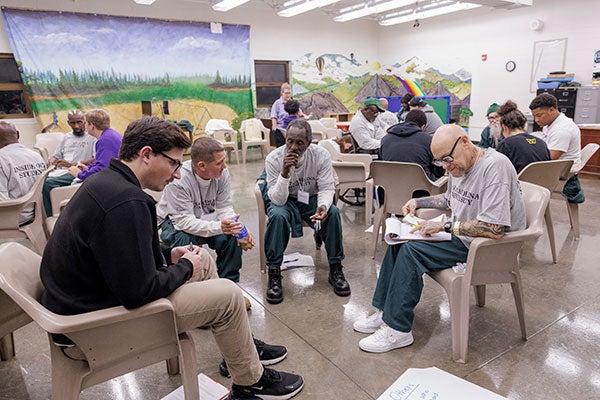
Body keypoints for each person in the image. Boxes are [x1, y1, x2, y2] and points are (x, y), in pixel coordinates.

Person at [39, 116, 304, 400]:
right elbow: (139, 292)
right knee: (227, 296)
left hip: (91, 302)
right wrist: (184, 267)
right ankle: (251, 381)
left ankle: (241, 348)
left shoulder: (107, 184)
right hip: (93, 328)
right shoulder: (127, 202)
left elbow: (118, 256)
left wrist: (169, 255)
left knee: (202, 256)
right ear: (146, 155)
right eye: (175, 163)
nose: (178, 173)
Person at [353, 124, 526, 353]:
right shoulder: (459, 166)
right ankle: (386, 312)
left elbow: (493, 228)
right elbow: (449, 199)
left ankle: (399, 330)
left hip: (488, 247)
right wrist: (418, 202)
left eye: (447, 158)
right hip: (463, 237)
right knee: (397, 241)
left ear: (465, 141)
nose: (445, 166)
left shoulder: (495, 167)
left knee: (411, 252)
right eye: (440, 162)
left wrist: (444, 225)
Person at [264, 119, 350, 304]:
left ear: (309, 142)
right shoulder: (274, 158)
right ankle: (274, 272)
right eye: (289, 141)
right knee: (277, 216)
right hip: (284, 198)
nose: (293, 147)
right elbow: (277, 199)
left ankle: (335, 268)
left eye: (300, 143)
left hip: (310, 198)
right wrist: (284, 173)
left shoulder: (320, 155)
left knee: (333, 213)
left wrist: (324, 206)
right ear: (285, 139)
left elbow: (327, 187)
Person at [157, 136, 255, 284]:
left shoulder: (222, 174)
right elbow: (185, 222)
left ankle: (230, 285)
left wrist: (236, 227)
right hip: (175, 221)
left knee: (231, 236)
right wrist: (219, 226)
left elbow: (224, 207)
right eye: (219, 162)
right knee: (185, 243)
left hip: (206, 216)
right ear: (202, 166)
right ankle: (192, 288)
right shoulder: (179, 179)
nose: (225, 166)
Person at [529, 93, 584, 203]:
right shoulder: (551, 124)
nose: (536, 120)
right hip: (557, 167)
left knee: (516, 177)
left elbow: (549, 159)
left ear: (552, 110)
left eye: (539, 115)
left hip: (562, 174)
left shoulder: (561, 130)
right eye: (534, 116)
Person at [42, 109, 97, 216]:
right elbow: (56, 155)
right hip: (61, 171)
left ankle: (53, 216)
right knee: (41, 180)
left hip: (77, 170)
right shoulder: (66, 137)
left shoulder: (91, 137)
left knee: (48, 184)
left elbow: (96, 158)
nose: (76, 126)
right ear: (68, 123)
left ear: (84, 121)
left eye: (79, 122)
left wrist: (72, 164)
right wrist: (50, 162)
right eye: (73, 123)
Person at [0, 121, 46, 225]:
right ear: (18, 134)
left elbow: (2, 202)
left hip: (13, 216)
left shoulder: (1, 159)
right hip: (36, 213)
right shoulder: (36, 156)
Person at [380, 109, 445, 181]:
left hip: (390, 187)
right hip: (422, 189)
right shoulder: (428, 141)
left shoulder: (385, 140)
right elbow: (439, 170)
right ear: (423, 126)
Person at [496, 100, 550, 173]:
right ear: (524, 125)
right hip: (541, 183)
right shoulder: (542, 143)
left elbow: (496, 172)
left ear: (504, 127)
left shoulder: (506, 144)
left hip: (518, 183)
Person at [270, 83, 309, 148]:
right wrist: (275, 128)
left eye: (289, 93)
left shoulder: (293, 102)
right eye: (286, 93)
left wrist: (306, 117)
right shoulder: (277, 103)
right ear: (281, 93)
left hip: (293, 129)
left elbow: (300, 113)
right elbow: (273, 117)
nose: (288, 95)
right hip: (281, 129)